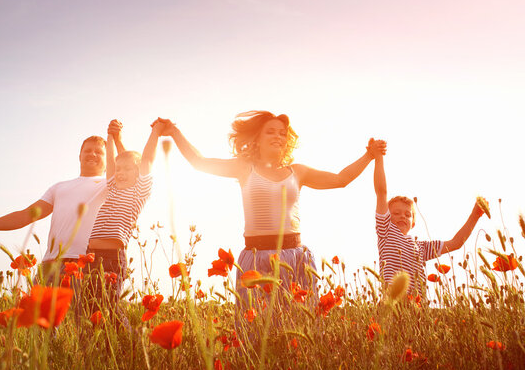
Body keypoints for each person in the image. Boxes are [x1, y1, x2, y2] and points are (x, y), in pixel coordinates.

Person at [158, 111, 386, 306]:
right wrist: (174, 131)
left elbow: (341, 179)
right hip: (257, 259)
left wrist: (369, 155)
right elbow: (200, 162)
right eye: (271, 131)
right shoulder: (244, 168)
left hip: (295, 259)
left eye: (282, 133)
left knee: (298, 328)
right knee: (256, 331)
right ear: (257, 139)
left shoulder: (298, 172)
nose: (278, 136)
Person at [0, 130, 109, 284]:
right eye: (88, 150)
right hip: (50, 265)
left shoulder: (110, 185)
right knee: (38, 309)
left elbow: (132, 173)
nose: (92, 154)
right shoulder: (59, 187)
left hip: (85, 263)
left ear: (108, 159)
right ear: (80, 156)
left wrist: (116, 139)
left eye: (99, 152)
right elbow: (26, 215)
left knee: (81, 309)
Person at [373, 148, 488, 297]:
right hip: (392, 304)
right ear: (387, 217)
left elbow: (456, 243)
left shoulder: (422, 247)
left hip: (417, 309)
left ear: (413, 223)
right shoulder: (386, 231)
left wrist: (475, 215)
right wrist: (378, 157)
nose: (402, 216)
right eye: (396, 213)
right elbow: (381, 192)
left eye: (407, 214)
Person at [78, 118, 163, 319]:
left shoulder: (138, 192)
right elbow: (113, 160)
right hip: (91, 255)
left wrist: (155, 133)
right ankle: (100, 348)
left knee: (108, 306)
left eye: (127, 170)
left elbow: (147, 160)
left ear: (138, 172)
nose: (121, 173)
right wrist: (111, 136)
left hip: (112, 258)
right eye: (118, 170)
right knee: (90, 307)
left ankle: (128, 342)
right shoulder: (111, 188)